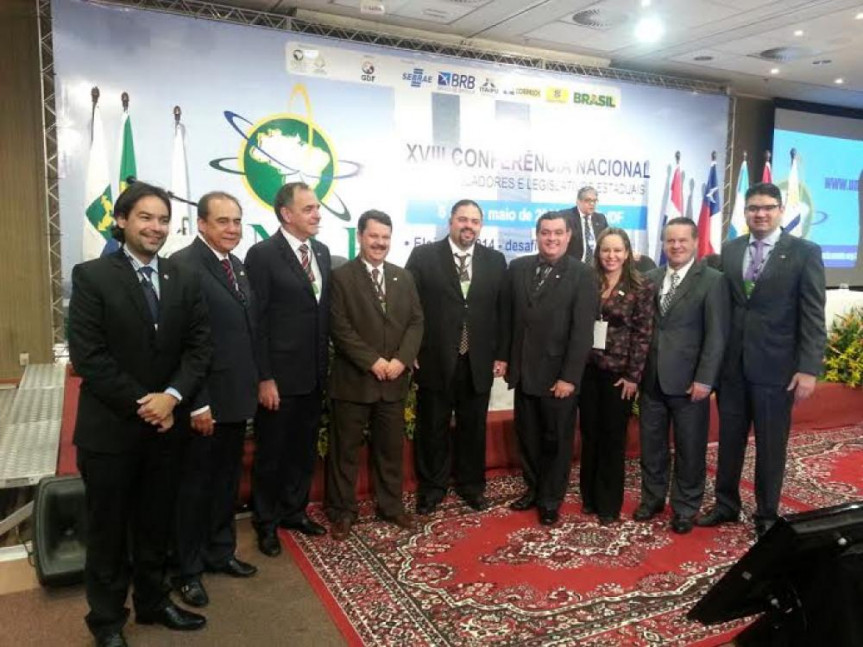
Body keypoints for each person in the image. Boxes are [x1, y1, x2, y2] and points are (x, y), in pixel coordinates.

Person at [68, 181, 211, 646]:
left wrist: (171, 396)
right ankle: (107, 621)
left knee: (156, 524)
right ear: (122, 221)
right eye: (146, 217)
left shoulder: (182, 277)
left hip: (167, 429)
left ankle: (153, 602)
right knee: (108, 532)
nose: (156, 227)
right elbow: (90, 359)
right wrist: (148, 404)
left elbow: (198, 347)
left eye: (163, 219)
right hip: (111, 433)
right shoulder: (91, 276)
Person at [698, 182, 826, 537]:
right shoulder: (731, 249)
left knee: (771, 445)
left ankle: (767, 513)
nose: (760, 214)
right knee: (729, 440)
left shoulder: (804, 252)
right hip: (733, 368)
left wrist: (808, 368)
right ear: (746, 212)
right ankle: (726, 504)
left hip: (777, 369)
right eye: (754, 208)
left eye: (768, 207)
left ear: (781, 210)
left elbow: (813, 314)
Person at [171, 192, 258, 608]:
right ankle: (187, 570)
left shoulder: (236, 266)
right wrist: (198, 401)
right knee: (193, 488)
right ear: (202, 224)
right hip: (203, 403)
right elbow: (184, 344)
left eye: (237, 222)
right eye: (223, 221)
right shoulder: (185, 267)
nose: (232, 229)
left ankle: (220, 551)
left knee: (225, 481)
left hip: (236, 396)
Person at [325, 210, 424, 539]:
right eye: (373, 236)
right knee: (345, 452)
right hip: (354, 381)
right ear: (360, 237)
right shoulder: (341, 277)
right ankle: (342, 511)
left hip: (393, 382)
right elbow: (339, 327)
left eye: (385, 237)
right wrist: (373, 361)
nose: (380, 243)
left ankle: (391, 507)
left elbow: (415, 321)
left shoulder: (403, 276)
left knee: (390, 450)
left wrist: (402, 359)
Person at [245, 182, 332, 556]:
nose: (318, 214)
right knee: (272, 453)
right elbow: (257, 322)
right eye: (310, 208)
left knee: (302, 450)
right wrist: (264, 377)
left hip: (313, 375)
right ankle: (265, 522)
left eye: (317, 208)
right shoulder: (262, 255)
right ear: (286, 214)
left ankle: (294, 511)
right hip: (278, 379)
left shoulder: (322, 252)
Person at [405, 199, 507, 515]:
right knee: (432, 427)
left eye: (475, 221)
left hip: (477, 361)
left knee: (473, 427)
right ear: (450, 221)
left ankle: (471, 486)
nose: (468, 226)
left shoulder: (495, 260)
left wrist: (501, 354)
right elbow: (409, 308)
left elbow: (503, 312)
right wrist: (410, 351)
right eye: (463, 219)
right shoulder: (423, 256)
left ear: (481, 226)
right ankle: (432, 488)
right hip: (434, 358)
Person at [501, 212, 597, 525]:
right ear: (537, 235)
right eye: (545, 232)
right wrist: (505, 359)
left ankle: (550, 498)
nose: (551, 238)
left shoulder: (582, 274)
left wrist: (569, 376)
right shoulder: (518, 268)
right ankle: (533, 488)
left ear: (569, 236)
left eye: (558, 233)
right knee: (527, 437)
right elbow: (509, 318)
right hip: (524, 372)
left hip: (559, 378)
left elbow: (583, 331)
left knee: (556, 441)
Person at [634, 218, 729, 534]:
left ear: (695, 242)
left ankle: (686, 508)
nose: (676, 246)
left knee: (690, 449)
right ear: (663, 244)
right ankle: (652, 498)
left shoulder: (713, 281)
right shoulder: (650, 278)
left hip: (690, 384)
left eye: (682, 240)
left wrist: (705, 379)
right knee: (652, 446)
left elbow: (716, 335)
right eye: (670, 241)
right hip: (651, 380)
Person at [579, 228, 654, 525]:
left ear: (627, 253)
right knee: (590, 435)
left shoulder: (640, 286)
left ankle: (608, 504)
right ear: (598, 253)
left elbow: (643, 333)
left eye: (617, 250)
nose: (611, 256)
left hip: (619, 375)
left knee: (612, 438)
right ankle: (589, 497)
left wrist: (633, 376)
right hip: (587, 371)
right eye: (605, 250)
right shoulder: (588, 281)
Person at [547, 186, 608, 263]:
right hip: (573, 265)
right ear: (578, 201)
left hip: (596, 266)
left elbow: (606, 242)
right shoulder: (565, 217)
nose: (592, 204)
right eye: (588, 200)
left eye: (594, 201)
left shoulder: (600, 218)